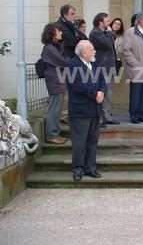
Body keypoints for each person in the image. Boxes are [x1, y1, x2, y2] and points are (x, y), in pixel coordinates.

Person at [66, 40, 106, 181]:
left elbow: (102, 80)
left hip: (95, 110)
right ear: (83, 52)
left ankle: (91, 168)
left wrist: (101, 91)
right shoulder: (72, 64)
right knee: (79, 142)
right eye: (91, 49)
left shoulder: (95, 64)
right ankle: (78, 169)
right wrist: (95, 94)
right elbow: (77, 85)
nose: (94, 51)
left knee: (92, 141)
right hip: (80, 111)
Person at [122, 12, 143, 124]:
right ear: (140, 21)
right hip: (137, 69)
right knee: (136, 93)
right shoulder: (130, 32)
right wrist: (135, 64)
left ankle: (141, 114)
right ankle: (134, 115)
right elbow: (126, 51)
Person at [89, 12, 120, 126]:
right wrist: (109, 32)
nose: (109, 23)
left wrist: (109, 32)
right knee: (101, 93)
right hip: (101, 67)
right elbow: (108, 43)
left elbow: (113, 37)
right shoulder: (95, 33)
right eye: (106, 21)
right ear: (100, 22)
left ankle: (107, 116)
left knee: (108, 93)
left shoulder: (105, 33)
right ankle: (100, 118)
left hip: (108, 67)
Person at [41, 24, 68, 144]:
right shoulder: (50, 48)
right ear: (52, 33)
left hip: (58, 80)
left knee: (57, 108)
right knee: (54, 109)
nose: (61, 33)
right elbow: (62, 61)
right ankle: (52, 135)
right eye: (59, 31)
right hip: (54, 81)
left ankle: (55, 133)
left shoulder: (55, 46)